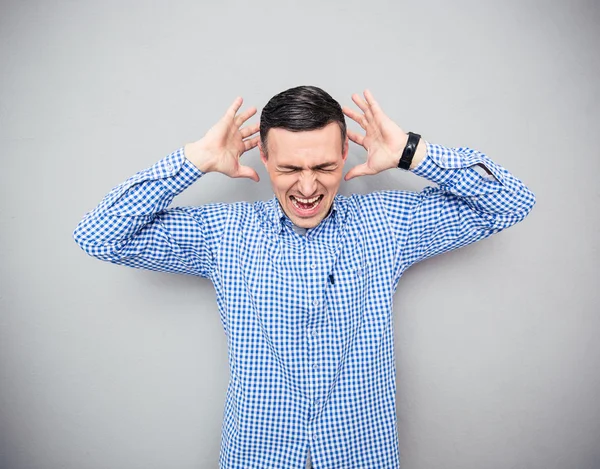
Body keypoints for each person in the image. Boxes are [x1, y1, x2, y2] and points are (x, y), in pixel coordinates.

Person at [73, 86, 535, 469]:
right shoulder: (223, 233)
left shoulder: (388, 225)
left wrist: (412, 153)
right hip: (258, 452)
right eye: (291, 168)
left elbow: (512, 201)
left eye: (324, 167)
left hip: (362, 452)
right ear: (265, 161)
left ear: (345, 153)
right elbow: (98, 236)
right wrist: (193, 160)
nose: (308, 187)